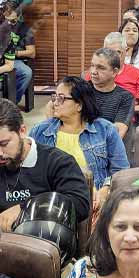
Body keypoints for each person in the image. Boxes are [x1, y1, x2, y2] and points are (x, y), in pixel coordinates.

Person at [0, 98, 90, 231]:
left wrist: (27, 208)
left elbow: (80, 205)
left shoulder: (58, 162)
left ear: (22, 131)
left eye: (3, 144)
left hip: (44, 242)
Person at [30, 77, 128, 214]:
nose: (54, 103)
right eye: (55, 97)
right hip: (52, 201)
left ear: (79, 105)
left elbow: (121, 170)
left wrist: (105, 189)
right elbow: (27, 170)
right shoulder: (40, 131)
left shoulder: (105, 129)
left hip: (96, 201)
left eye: (61, 98)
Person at [82, 48, 135, 138]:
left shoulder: (125, 97)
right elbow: (52, 106)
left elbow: (118, 133)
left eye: (101, 68)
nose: (93, 72)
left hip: (105, 145)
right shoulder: (81, 89)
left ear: (115, 72)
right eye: (92, 65)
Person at [103, 31, 139, 104]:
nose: (113, 56)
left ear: (126, 51)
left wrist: (124, 108)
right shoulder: (96, 73)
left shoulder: (138, 74)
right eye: (109, 52)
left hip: (127, 114)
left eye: (118, 52)